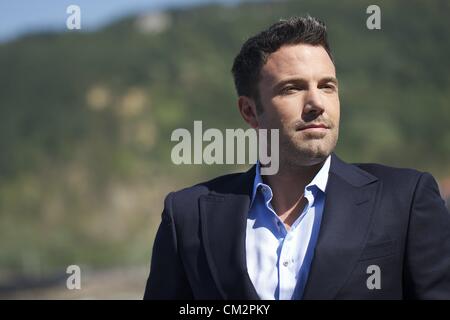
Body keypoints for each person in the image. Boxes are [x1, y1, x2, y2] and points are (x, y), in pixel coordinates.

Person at [144, 16, 450, 299]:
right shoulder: (187, 216)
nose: (316, 102)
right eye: (292, 88)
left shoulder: (405, 199)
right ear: (250, 111)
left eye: (327, 86)